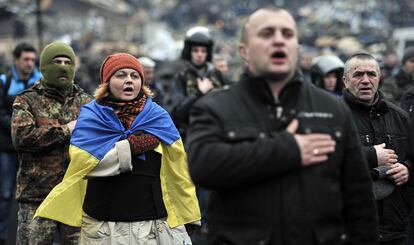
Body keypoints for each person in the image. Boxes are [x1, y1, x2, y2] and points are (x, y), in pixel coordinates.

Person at [186, 7, 378, 245]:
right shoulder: (216, 106)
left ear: (296, 48)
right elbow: (203, 166)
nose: (278, 39)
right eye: (267, 33)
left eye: (287, 34)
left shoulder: (333, 109)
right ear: (244, 51)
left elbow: (359, 200)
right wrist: (287, 149)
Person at [34, 52, 201, 244]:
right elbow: (84, 165)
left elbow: (179, 170)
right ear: (107, 82)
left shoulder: (158, 118)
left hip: (151, 227)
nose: (129, 80)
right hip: (104, 228)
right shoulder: (92, 117)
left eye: (134, 76)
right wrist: (130, 147)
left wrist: (189, 216)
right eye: (121, 75)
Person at [11, 41, 93, 244]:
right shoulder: (27, 100)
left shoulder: (87, 102)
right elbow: (22, 137)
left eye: (68, 62)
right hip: (38, 197)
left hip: (76, 197)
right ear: (45, 66)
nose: (63, 66)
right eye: (57, 61)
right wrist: (66, 130)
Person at [342, 53, 414, 244]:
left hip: (395, 227)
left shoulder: (400, 116)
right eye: (358, 74)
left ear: (379, 78)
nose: (365, 80)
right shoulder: (334, 116)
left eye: (371, 74)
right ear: (345, 80)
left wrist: (408, 169)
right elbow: (324, 162)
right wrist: (371, 156)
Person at [0, 42, 41, 245]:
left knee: (33, 194)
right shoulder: (4, 82)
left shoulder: (39, 83)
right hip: (7, 148)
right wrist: (19, 127)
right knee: (6, 193)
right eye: (26, 59)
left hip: (31, 151)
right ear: (16, 60)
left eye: (33, 60)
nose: (29, 63)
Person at [171, 26, 226, 139]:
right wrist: (199, 93)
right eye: (195, 50)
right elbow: (177, 113)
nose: (199, 54)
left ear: (207, 53)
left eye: (203, 51)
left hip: (218, 133)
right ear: (189, 52)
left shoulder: (217, 75)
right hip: (191, 134)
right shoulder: (181, 77)